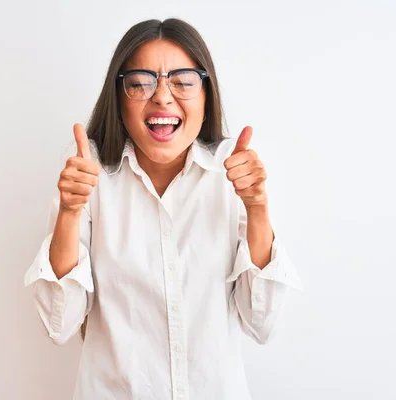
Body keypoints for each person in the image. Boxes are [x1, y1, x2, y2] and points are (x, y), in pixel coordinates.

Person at [24, 18, 303, 400]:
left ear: (206, 96)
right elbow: (60, 324)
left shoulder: (233, 171)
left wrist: (256, 208)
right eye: (141, 82)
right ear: (118, 98)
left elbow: (262, 323)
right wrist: (70, 213)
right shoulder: (87, 173)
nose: (163, 97)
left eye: (183, 82)